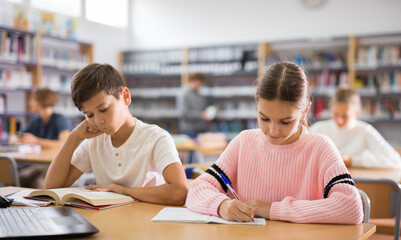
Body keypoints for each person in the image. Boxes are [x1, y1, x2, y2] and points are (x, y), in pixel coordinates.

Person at [185, 62, 363, 224]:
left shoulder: (321, 147)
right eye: (264, 118)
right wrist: (222, 205)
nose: (273, 131)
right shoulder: (243, 142)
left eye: (286, 122)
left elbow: (351, 207)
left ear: (304, 111)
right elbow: (198, 189)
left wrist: (273, 210)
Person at [43, 63, 188, 205]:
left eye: (104, 109)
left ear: (125, 96)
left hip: (149, 222)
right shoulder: (94, 142)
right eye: (90, 115)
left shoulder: (156, 138)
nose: (99, 121)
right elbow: (51, 188)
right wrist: (74, 137)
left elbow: (179, 191)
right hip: (111, 222)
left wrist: (124, 191)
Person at [310, 87, 401, 168]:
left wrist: (353, 160)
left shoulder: (365, 131)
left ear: (356, 112)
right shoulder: (319, 128)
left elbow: (395, 160)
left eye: (345, 116)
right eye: (336, 114)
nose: (339, 121)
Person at [13, 88, 72, 188]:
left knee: (34, 180)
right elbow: (16, 137)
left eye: (33, 99)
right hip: (39, 164)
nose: (30, 102)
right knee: (19, 178)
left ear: (41, 101)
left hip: (54, 164)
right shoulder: (36, 120)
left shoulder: (60, 119)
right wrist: (20, 138)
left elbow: (64, 144)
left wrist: (36, 141)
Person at [181, 72, 209, 138]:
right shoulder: (185, 95)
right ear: (193, 81)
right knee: (191, 148)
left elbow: (203, 110)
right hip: (190, 130)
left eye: (202, 83)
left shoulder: (201, 96)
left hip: (201, 128)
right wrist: (201, 115)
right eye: (199, 82)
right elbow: (185, 113)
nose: (200, 85)